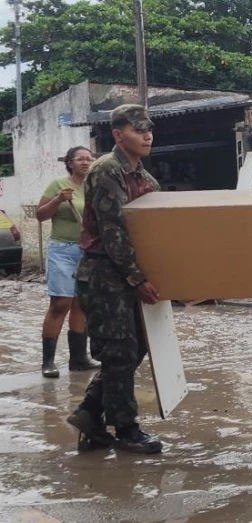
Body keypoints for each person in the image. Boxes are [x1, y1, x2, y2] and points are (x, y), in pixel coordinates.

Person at [66, 104, 164, 454]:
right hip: (105, 272)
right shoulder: (107, 171)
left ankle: (90, 414)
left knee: (134, 349)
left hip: (129, 273)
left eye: (149, 129)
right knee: (119, 351)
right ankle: (126, 430)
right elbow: (113, 232)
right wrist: (137, 278)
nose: (147, 135)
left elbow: (159, 233)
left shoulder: (147, 180)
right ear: (118, 134)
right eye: (138, 129)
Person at [35, 147, 100, 378]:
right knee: (60, 303)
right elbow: (40, 215)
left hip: (88, 250)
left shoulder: (96, 186)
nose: (86, 162)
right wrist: (58, 199)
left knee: (81, 303)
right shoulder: (58, 185)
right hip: (62, 250)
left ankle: (79, 359)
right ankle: (48, 362)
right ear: (70, 163)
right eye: (80, 159)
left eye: (89, 158)